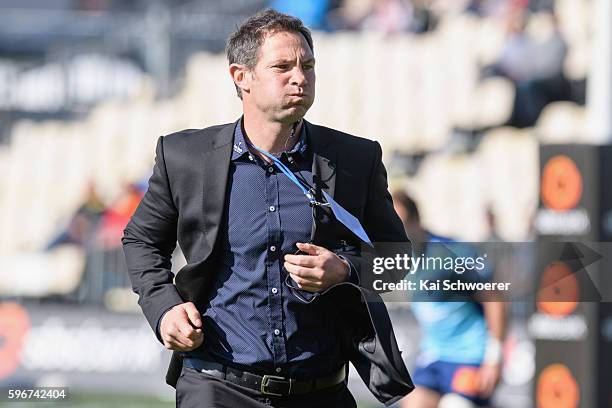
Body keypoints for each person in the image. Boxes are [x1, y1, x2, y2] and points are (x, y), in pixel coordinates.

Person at [122, 9, 413, 408]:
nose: (300, 77)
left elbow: (398, 257)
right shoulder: (183, 156)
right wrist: (164, 308)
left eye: (308, 65)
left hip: (320, 390)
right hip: (216, 384)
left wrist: (345, 270)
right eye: (283, 66)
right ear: (241, 77)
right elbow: (140, 240)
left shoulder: (355, 158)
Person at [393, 191, 505, 408]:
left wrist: (494, 358)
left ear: (416, 220)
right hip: (435, 355)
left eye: (402, 222)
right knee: (414, 404)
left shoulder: (451, 252)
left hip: (470, 355)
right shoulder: (399, 257)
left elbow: (494, 298)